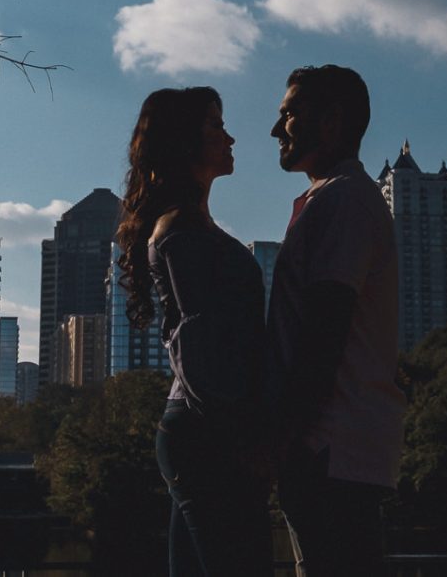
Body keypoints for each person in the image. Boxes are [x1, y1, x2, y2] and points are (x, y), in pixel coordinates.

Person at [115, 86, 273, 577]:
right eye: (214, 125)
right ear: (183, 141)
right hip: (209, 434)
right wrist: (245, 439)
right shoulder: (180, 230)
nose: (229, 136)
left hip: (201, 431)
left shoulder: (194, 225)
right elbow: (198, 345)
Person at [266, 65, 404, 576]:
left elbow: (325, 329)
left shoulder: (344, 200)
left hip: (328, 451)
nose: (277, 129)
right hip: (329, 450)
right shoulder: (330, 199)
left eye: (288, 115)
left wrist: (283, 439)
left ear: (330, 121)